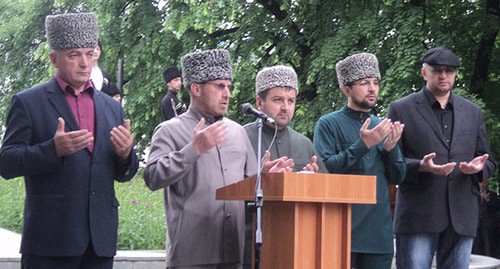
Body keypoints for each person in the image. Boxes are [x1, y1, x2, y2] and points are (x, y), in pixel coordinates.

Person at [0, 12, 139, 269]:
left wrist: (126, 154)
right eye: (74, 55)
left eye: (90, 53)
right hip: (50, 243)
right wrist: (51, 150)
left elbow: (124, 173)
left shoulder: (111, 107)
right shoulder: (29, 102)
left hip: (99, 244)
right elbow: (6, 163)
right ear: (54, 58)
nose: (85, 63)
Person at [144, 49, 291, 269]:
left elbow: (248, 188)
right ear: (196, 88)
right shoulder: (169, 130)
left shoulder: (236, 131)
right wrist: (194, 149)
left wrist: (264, 176)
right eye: (219, 86)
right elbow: (152, 177)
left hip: (232, 253)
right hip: (191, 255)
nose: (227, 94)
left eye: (229, 87)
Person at [388, 47, 497, 269]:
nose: (443, 75)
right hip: (419, 214)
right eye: (437, 70)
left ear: (456, 74)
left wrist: (477, 168)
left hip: (462, 214)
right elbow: (391, 162)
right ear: (424, 73)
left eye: (449, 71)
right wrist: (421, 166)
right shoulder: (401, 109)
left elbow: (489, 161)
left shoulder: (473, 112)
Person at [313, 52, 406, 269]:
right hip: (342, 231)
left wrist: (391, 149)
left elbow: (398, 177)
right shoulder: (328, 124)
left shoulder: (381, 125)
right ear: (346, 89)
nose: (372, 88)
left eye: (375, 82)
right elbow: (325, 169)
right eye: (364, 83)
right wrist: (362, 145)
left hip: (379, 235)